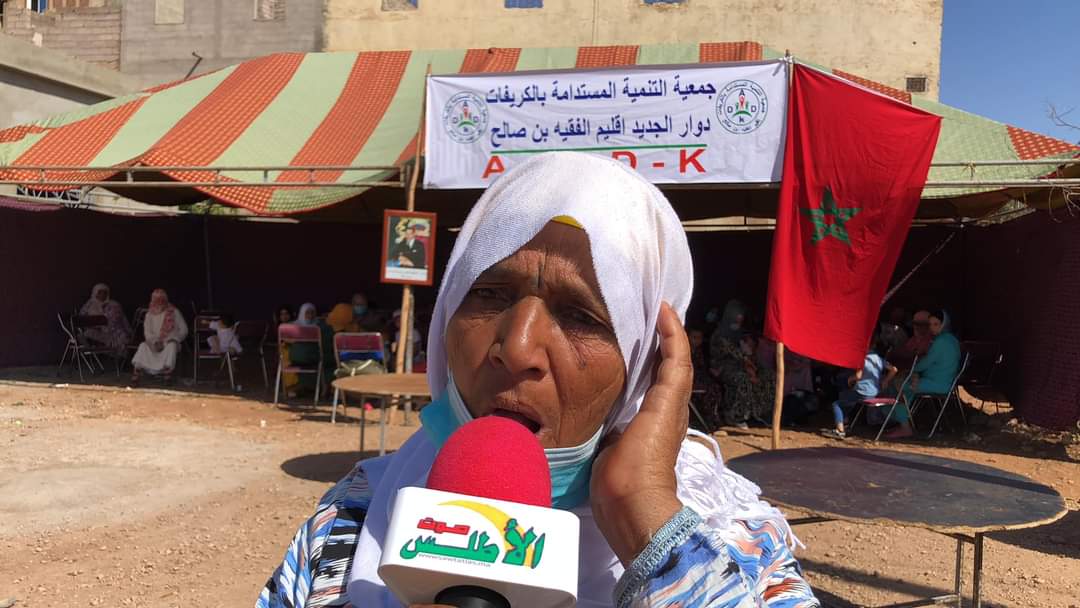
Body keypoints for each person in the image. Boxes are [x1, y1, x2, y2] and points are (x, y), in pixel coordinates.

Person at [257, 153, 817, 608]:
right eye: (488, 293)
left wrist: (645, 519)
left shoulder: (733, 542)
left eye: (582, 316)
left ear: (646, 362)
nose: (518, 349)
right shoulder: (355, 515)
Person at [888, 309, 961, 439]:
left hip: (937, 384)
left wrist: (912, 369)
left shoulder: (940, 342)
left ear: (943, 324)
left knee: (900, 384)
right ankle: (903, 423)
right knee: (906, 386)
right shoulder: (952, 340)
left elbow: (926, 362)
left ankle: (905, 426)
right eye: (930, 324)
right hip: (945, 382)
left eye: (936, 324)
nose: (932, 328)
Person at [709, 300, 776, 428]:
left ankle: (759, 414)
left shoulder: (739, 334)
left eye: (740, 317)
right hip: (722, 367)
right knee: (743, 379)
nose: (739, 320)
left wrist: (754, 369)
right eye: (736, 317)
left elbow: (748, 353)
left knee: (769, 376)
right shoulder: (720, 334)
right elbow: (737, 353)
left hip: (742, 366)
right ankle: (735, 416)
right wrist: (749, 367)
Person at [823, 334, 897, 439]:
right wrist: (885, 381)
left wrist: (850, 379)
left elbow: (858, 376)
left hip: (862, 392)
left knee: (837, 404)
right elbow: (894, 369)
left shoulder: (862, 359)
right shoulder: (878, 358)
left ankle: (840, 430)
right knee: (848, 400)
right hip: (874, 392)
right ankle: (845, 422)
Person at [131, 289, 188, 385]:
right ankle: (136, 374)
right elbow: (147, 333)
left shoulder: (174, 312)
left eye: (161, 299)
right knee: (143, 346)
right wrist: (155, 342)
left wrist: (174, 338)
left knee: (172, 346)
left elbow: (184, 330)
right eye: (157, 299)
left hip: (169, 342)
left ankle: (167, 374)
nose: (159, 302)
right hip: (154, 344)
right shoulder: (149, 315)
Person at [287, 303, 335, 398]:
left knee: (326, 359)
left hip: (298, 358)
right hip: (308, 358)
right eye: (307, 313)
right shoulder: (318, 327)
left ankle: (309, 388)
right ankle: (324, 387)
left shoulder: (290, 327)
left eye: (312, 313)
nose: (310, 315)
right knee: (330, 360)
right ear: (302, 313)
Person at [79, 283, 132, 356]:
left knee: (122, 336)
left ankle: (119, 355)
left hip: (112, 330)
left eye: (105, 293)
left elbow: (119, 319)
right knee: (85, 334)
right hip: (95, 330)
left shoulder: (113, 304)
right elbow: (81, 318)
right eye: (100, 292)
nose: (103, 295)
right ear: (95, 293)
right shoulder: (89, 305)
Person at [688, 327, 724, 432]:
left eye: (699, 338)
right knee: (711, 390)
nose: (697, 340)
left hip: (699, 378)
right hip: (689, 380)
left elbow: (702, 367)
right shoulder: (685, 350)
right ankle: (708, 420)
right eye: (694, 337)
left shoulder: (699, 351)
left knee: (716, 387)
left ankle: (711, 418)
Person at [274, 305, 299, 394]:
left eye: (286, 314)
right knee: (286, 360)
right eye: (282, 314)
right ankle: (290, 388)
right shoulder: (280, 327)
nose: (284, 316)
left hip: (296, 349)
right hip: (285, 351)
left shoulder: (296, 325)